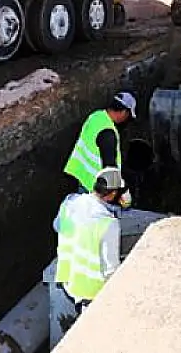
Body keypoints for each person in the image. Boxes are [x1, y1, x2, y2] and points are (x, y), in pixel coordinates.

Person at [49, 167, 126, 345]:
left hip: (68, 277)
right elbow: (111, 269)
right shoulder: (109, 224)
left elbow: (57, 226)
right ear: (112, 194)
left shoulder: (70, 202)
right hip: (90, 290)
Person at [64, 91, 136, 196]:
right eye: (128, 116)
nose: (126, 120)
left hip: (83, 176)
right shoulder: (108, 134)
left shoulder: (96, 116)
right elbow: (109, 169)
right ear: (124, 112)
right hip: (96, 187)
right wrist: (121, 192)